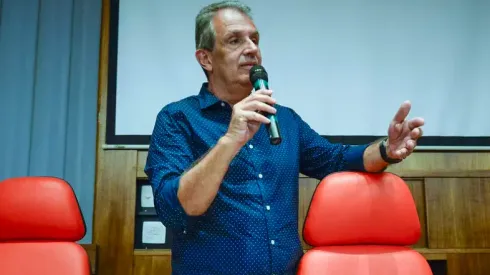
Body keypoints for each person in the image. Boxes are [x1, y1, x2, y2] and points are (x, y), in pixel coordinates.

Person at [145, 1, 425, 274]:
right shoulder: (177, 119)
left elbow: (336, 160)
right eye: (234, 41)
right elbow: (175, 210)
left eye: (255, 39)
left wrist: (387, 149)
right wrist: (230, 140)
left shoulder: (285, 120)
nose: (252, 49)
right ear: (205, 58)